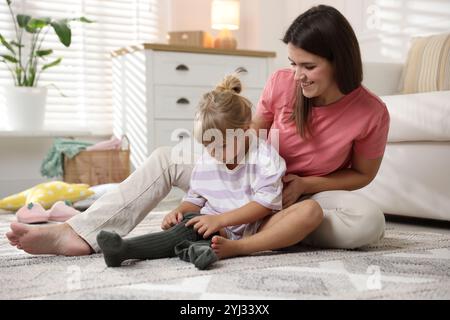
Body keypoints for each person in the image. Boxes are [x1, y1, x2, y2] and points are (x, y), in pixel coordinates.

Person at [6, 4, 389, 258]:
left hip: (298, 193)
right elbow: (249, 137)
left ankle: (253, 237)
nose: (297, 75)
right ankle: (78, 233)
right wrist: (214, 180)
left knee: (369, 222)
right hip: (248, 178)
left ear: (339, 61)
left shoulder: (371, 112)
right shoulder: (282, 83)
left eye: (308, 66)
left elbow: (362, 174)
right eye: (292, 64)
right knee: (164, 158)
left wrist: (304, 185)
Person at [95, 74, 316, 269]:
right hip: (213, 227)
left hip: (257, 228)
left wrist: (220, 220)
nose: (215, 153)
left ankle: (235, 248)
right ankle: (149, 250)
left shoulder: (266, 159)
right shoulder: (209, 159)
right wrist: (179, 211)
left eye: (222, 145)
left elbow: (264, 205)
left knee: (310, 211)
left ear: (247, 130)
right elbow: (195, 198)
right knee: (190, 222)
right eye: (209, 146)